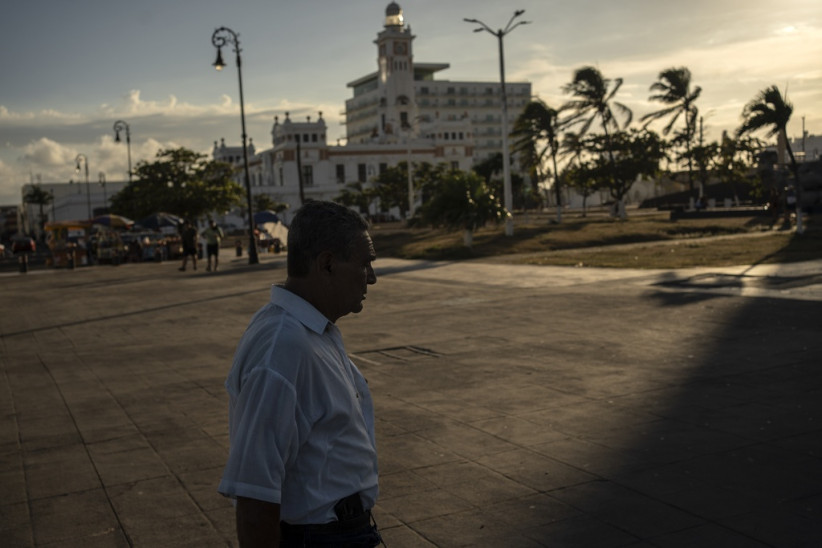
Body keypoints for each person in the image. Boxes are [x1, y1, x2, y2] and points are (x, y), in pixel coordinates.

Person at [218, 200, 382, 548]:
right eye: (364, 264)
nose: (371, 277)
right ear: (327, 264)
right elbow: (255, 494)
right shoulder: (283, 347)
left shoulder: (311, 331)